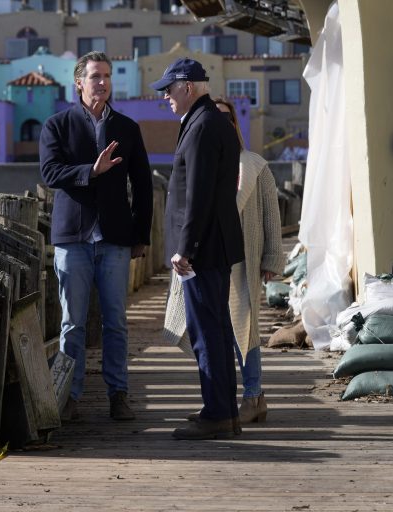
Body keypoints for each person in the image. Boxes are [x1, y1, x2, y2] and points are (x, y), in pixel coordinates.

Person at [39, 51, 153, 422]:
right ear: (79, 83)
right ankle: (69, 396)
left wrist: (142, 235)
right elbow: (50, 173)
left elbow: (144, 186)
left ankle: (118, 394)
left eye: (106, 76)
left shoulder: (127, 128)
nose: (101, 82)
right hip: (73, 238)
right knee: (72, 322)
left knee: (116, 322)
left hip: (115, 239)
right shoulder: (57, 125)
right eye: (94, 77)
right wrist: (92, 170)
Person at [150, 58, 244, 440]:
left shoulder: (203, 125)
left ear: (187, 86)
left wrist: (185, 247)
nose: (166, 98)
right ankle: (223, 410)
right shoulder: (209, 120)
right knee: (216, 330)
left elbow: (199, 195)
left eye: (169, 90)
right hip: (213, 245)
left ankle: (219, 415)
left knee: (208, 333)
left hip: (202, 250)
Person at [213, 97, 285, 423]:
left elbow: (272, 215)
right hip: (210, 260)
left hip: (244, 259)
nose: (221, 124)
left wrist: (272, 258)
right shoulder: (200, 164)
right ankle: (225, 399)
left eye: (227, 118)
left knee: (246, 328)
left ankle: (253, 395)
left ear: (234, 124)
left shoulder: (255, 165)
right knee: (217, 333)